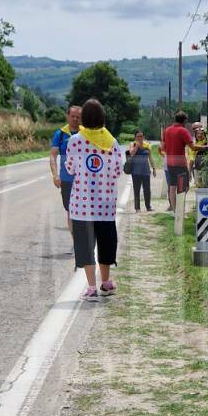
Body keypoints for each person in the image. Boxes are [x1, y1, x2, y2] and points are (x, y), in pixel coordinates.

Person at [64, 97, 125, 300]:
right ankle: (106, 283)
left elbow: (70, 169)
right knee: (106, 243)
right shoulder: (112, 142)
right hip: (105, 205)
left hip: (82, 205)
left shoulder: (75, 141)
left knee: (85, 245)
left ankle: (91, 287)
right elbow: (118, 171)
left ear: (83, 118)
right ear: (102, 118)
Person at [49, 104, 81, 236]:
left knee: (82, 211)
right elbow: (53, 155)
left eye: (78, 117)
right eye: (72, 116)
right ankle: (76, 242)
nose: (75, 119)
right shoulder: (60, 134)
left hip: (84, 180)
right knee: (70, 211)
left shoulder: (86, 134)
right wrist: (55, 175)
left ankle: (81, 241)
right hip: (66, 179)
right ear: (67, 116)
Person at [161, 109, 194, 211]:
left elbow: (163, 148)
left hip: (169, 162)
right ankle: (180, 208)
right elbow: (193, 147)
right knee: (184, 187)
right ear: (184, 121)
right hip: (180, 163)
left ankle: (174, 210)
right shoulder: (183, 130)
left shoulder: (167, 131)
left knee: (172, 186)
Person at [128, 131, 156, 212]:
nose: (140, 138)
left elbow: (150, 157)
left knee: (147, 189)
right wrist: (136, 146)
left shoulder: (147, 145)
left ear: (143, 137)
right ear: (135, 137)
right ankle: (137, 208)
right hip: (135, 171)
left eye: (141, 136)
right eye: (138, 136)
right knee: (136, 190)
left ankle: (148, 206)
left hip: (146, 171)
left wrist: (154, 168)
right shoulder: (132, 144)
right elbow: (131, 153)